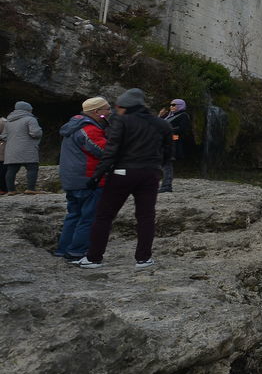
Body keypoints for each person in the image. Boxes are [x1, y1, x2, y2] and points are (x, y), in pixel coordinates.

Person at [75, 88, 172, 269]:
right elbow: (168, 153)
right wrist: (156, 167)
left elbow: (111, 151)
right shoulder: (162, 124)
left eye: (118, 106)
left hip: (122, 173)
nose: (116, 110)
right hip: (150, 174)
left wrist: (98, 175)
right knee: (146, 216)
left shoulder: (122, 121)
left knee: (104, 215)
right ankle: (143, 259)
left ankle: (94, 258)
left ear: (124, 106)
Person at [55, 97, 110, 261]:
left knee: (74, 215)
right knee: (88, 218)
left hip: (72, 180)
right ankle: (77, 251)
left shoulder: (73, 126)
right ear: (96, 112)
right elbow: (102, 150)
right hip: (87, 180)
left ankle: (63, 249)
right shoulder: (89, 128)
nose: (109, 112)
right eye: (106, 109)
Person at [2, 101, 43, 195]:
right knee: (32, 167)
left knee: (11, 169)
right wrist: (40, 131)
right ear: (27, 109)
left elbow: (4, 136)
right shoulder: (30, 119)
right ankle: (30, 189)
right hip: (27, 148)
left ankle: (11, 190)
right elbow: (35, 133)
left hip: (11, 150)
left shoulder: (9, 121)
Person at [160, 98, 193, 192]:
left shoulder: (183, 115)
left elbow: (183, 130)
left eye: (174, 105)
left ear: (180, 106)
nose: (171, 107)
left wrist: (169, 131)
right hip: (164, 143)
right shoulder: (169, 116)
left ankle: (166, 186)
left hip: (172, 143)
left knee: (167, 163)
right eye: (171, 105)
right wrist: (160, 116)